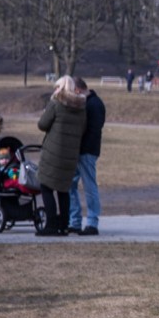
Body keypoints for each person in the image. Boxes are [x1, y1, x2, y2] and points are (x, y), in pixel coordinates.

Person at [35, 75, 86, 236]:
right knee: (63, 189)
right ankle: (64, 224)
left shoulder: (56, 104)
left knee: (46, 186)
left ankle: (51, 225)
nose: (55, 90)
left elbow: (42, 124)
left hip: (53, 153)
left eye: (57, 87)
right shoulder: (81, 107)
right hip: (70, 155)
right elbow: (83, 129)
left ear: (61, 88)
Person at [68, 77, 105, 236]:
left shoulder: (93, 104)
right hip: (80, 151)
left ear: (77, 90)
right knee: (71, 185)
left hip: (87, 151)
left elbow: (93, 131)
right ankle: (74, 221)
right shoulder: (90, 103)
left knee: (89, 187)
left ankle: (92, 222)